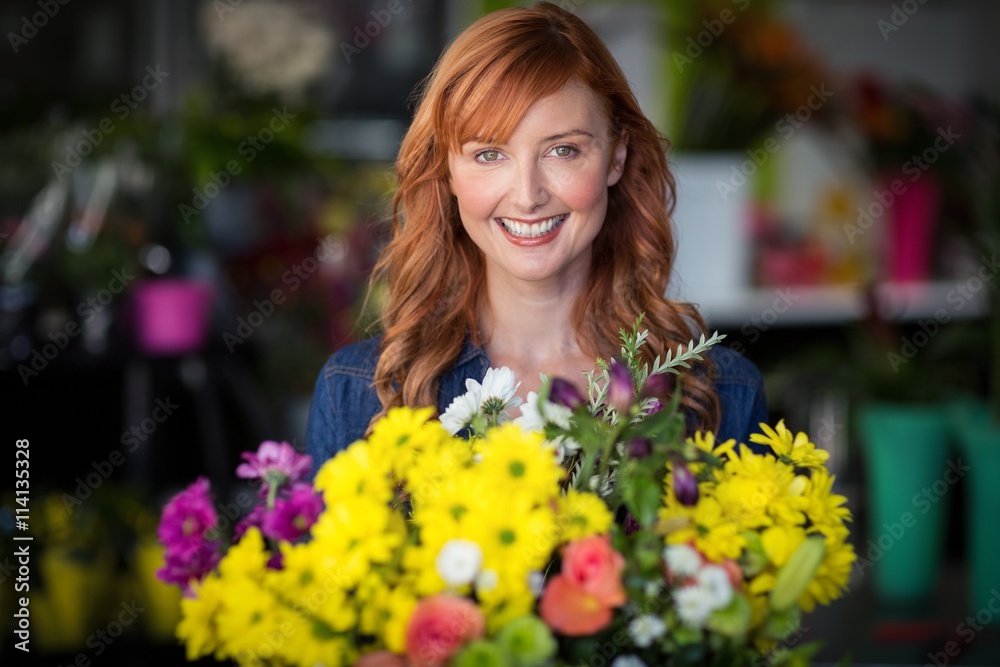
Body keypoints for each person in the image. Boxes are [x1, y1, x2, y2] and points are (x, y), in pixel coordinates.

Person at [305, 2, 766, 470]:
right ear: (446, 169)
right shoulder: (358, 395)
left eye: (563, 150)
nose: (528, 196)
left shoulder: (717, 396)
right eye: (489, 154)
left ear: (617, 157)